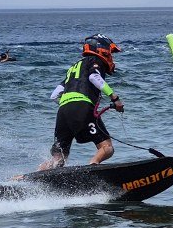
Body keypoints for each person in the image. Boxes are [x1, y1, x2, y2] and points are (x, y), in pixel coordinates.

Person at [40, 34, 124, 169]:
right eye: (110, 52)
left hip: (63, 111)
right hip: (82, 107)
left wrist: (70, 103)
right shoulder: (96, 61)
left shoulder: (73, 68)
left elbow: (54, 95)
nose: (111, 56)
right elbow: (94, 77)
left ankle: (27, 179)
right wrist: (115, 98)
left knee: (58, 159)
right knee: (107, 147)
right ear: (102, 49)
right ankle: (93, 165)